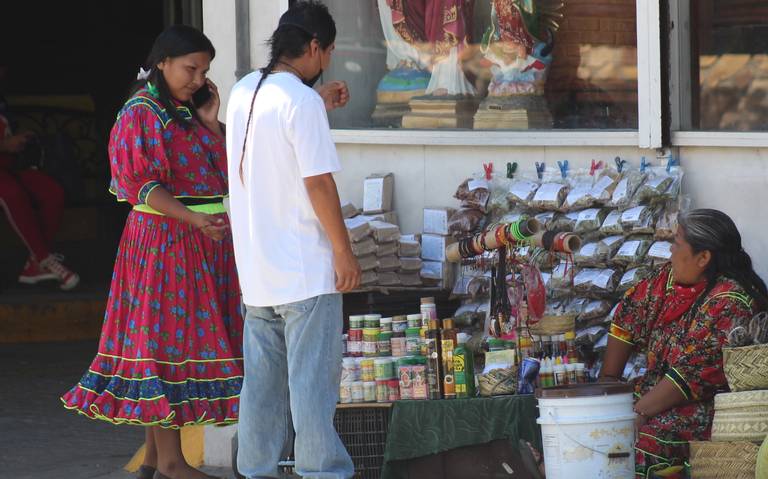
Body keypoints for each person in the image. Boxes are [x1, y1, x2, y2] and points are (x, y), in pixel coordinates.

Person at [61, 25, 244, 479]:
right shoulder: (141, 112)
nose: (198, 79)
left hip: (199, 241)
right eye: (190, 68)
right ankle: (171, 463)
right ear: (162, 62)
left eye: (204, 70)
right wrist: (194, 219)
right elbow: (141, 184)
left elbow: (221, 167)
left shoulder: (183, 113)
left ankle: (151, 461)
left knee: (173, 343)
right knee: (166, 345)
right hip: (166, 242)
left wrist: (207, 121)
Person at [523, 208, 767, 479]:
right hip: (650, 397)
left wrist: (633, 414)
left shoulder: (730, 301)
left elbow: (692, 375)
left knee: (627, 446)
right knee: (586, 428)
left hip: (697, 408)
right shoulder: (668, 279)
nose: (670, 250)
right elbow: (631, 311)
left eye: (676, 243)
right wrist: (608, 384)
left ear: (703, 257)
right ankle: (547, 469)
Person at [226, 2, 361, 478]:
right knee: (311, 392)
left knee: (261, 391)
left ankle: (254, 470)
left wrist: (316, 99)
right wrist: (344, 252)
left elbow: (271, 134)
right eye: (327, 50)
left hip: (259, 274)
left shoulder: (243, 91)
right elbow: (318, 184)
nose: (328, 57)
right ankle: (322, 473)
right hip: (305, 272)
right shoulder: (299, 103)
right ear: (313, 48)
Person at [0, 61, 79, 290]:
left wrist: (19, 140)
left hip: (10, 168)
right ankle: (45, 259)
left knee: (51, 191)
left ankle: (35, 263)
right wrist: (4, 145)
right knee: (12, 195)